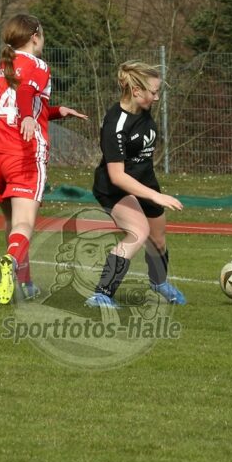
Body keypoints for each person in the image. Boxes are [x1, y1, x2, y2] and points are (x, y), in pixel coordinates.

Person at [0, 13, 87, 304]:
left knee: (11, 222)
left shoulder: (4, 66)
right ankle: (12, 262)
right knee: (24, 223)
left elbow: (20, 102)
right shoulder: (37, 65)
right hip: (21, 153)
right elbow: (26, 94)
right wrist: (28, 117)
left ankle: (25, 284)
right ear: (35, 37)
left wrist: (57, 111)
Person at [87, 60, 185, 308]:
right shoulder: (115, 124)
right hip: (114, 188)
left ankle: (158, 283)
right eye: (153, 92)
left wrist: (151, 193)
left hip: (145, 182)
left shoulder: (142, 109)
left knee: (158, 240)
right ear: (136, 91)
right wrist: (156, 196)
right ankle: (101, 294)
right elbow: (117, 176)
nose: (157, 97)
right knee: (138, 232)